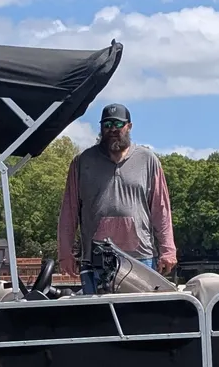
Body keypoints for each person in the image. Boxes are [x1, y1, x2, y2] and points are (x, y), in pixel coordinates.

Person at [57, 104, 177, 293]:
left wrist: (168, 250)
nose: (112, 129)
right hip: (95, 257)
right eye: (107, 124)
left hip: (140, 257)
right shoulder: (82, 162)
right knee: (98, 319)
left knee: (142, 318)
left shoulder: (148, 160)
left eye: (118, 124)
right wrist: (65, 253)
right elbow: (68, 211)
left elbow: (161, 209)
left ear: (129, 126)